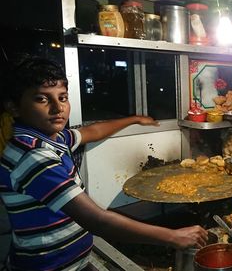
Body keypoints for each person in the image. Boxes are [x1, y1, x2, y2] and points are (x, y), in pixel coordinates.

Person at [0, 55, 208, 270]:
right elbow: (96, 220)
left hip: (71, 261)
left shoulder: (53, 139)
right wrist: (174, 237)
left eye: (62, 97)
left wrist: (134, 119)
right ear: (14, 108)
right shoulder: (34, 157)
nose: (57, 108)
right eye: (42, 99)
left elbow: (92, 131)